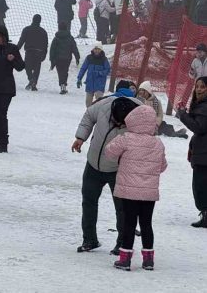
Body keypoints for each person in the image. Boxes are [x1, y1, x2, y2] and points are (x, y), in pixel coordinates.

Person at [72, 80, 142, 254]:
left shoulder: (140, 113)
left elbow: (149, 134)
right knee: (89, 201)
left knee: (122, 208)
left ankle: (122, 244)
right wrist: (81, 137)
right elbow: (89, 116)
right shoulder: (104, 104)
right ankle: (89, 239)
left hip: (119, 169)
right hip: (93, 164)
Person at [105, 105, 167, 271]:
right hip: (149, 193)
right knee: (147, 224)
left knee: (129, 224)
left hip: (129, 191)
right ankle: (148, 260)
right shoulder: (158, 143)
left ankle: (125, 259)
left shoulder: (126, 138)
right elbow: (162, 166)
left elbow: (109, 152)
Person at [177, 77, 207, 228]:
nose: (199, 89)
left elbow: (199, 128)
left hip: (204, 154)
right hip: (201, 151)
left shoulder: (204, 106)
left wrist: (183, 115)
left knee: (200, 186)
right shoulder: (200, 105)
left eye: (203, 87)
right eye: (197, 86)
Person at [16, 14, 48, 91]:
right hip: (39, 52)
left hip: (29, 52)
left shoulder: (26, 29)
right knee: (37, 69)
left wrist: (15, 50)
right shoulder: (43, 31)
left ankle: (31, 79)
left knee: (27, 67)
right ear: (40, 21)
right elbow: (45, 44)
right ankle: (34, 83)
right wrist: (44, 54)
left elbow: (21, 41)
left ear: (32, 19)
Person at [49, 22, 80, 94]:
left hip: (58, 59)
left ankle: (62, 85)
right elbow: (74, 48)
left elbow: (52, 49)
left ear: (59, 28)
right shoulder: (70, 37)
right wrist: (77, 57)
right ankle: (64, 84)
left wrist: (52, 59)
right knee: (65, 71)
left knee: (60, 72)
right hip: (67, 58)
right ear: (66, 28)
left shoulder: (56, 38)